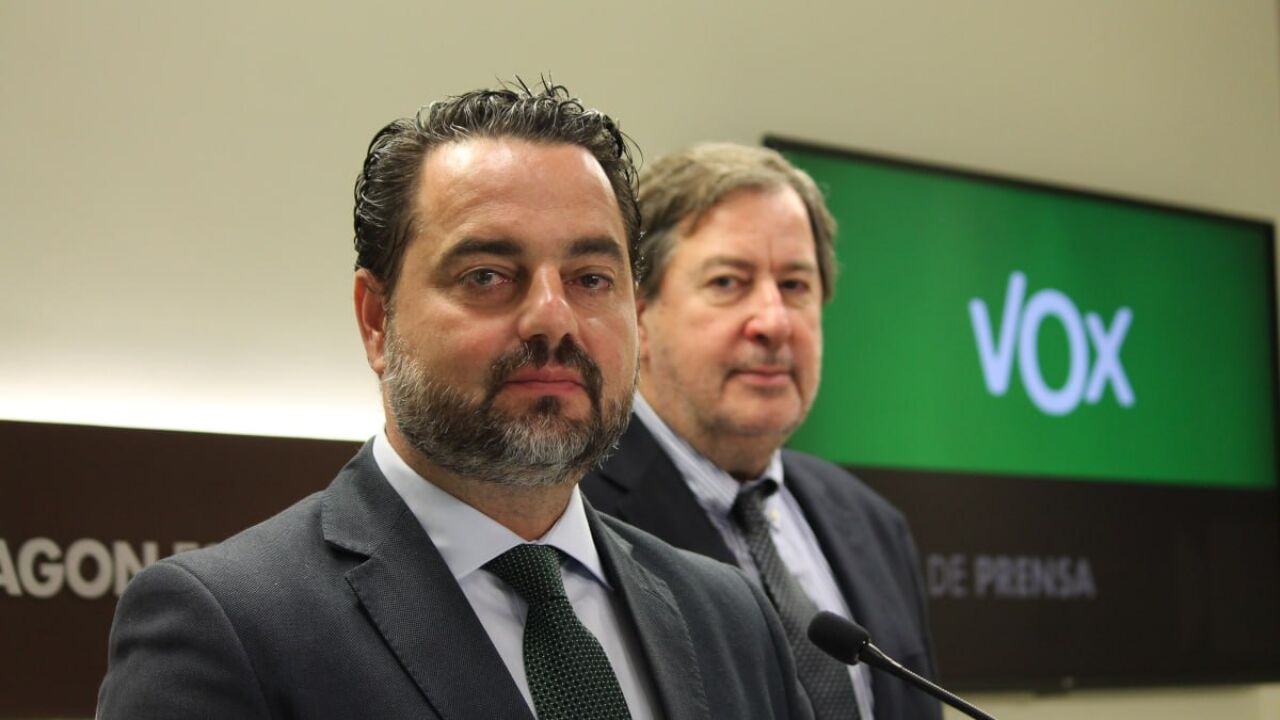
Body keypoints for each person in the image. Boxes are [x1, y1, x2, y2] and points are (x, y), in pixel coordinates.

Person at [97, 85, 812, 720]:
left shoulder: (729, 618)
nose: (554, 318)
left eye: (591, 278)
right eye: (488, 276)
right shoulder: (229, 627)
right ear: (376, 320)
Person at [580, 143, 942, 720]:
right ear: (639, 313)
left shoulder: (874, 524)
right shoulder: (573, 515)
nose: (773, 322)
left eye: (795, 285)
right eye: (729, 282)